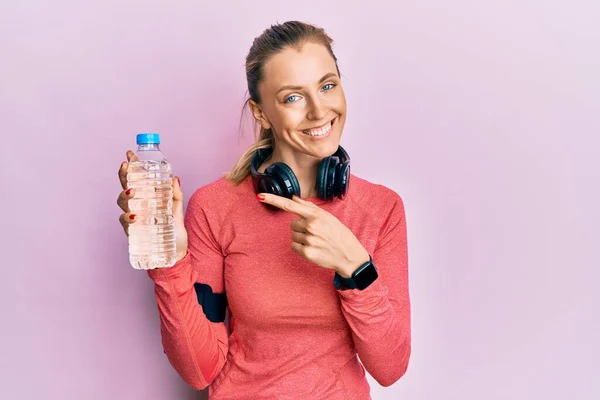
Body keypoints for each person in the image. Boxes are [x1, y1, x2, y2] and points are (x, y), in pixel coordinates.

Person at [116, 20, 411, 400]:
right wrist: (169, 264)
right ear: (260, 113)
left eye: (327, 85)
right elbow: (198, 370)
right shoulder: (215, 207)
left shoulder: (382, 209)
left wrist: (356, 267)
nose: (319, 111)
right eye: (293, 97)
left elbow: (390, 368)